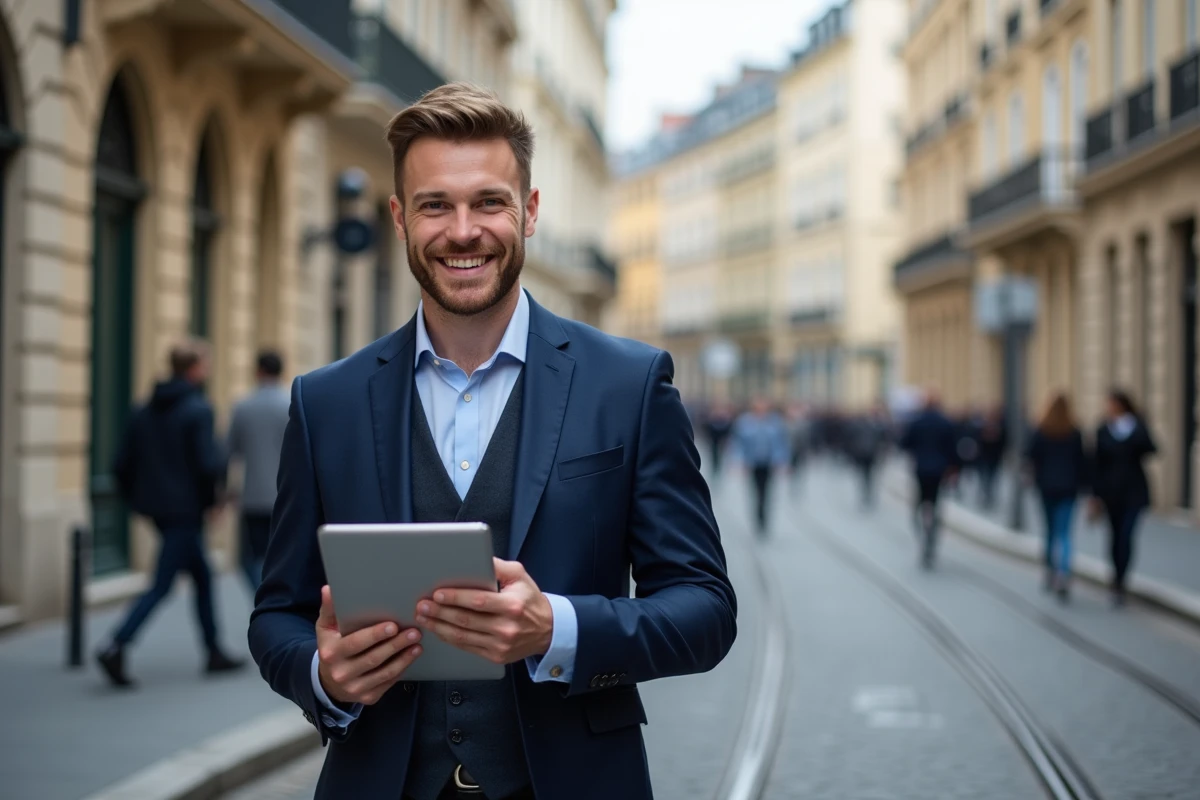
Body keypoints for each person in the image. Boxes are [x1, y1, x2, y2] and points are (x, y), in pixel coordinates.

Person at [248, 83, 737, 800]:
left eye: (488, 202)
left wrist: (557, 629)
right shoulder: (327, 402)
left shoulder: (628, 385)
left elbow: (705, 609)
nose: (463, 231)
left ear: (529, 211)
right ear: (400, 218)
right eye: (435, 206)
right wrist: (323, 675)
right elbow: (276, 616)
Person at [97, 340, 244, 687]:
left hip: (160, 510)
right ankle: (116, 644)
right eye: (205, 364)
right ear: (194, 369)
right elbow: (208, 464)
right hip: (186, 511)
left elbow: (120, 465)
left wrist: (139, 499)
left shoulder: (143, 409)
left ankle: (213, 650)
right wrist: (214, 502)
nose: (208, 370)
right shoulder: (198, 409)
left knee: (202, 577)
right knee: (162, 583)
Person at [226, 350, 290, 590]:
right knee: (280, 557)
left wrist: (225, 491)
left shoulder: (243, 407)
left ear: (258, 371)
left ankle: (262, 596)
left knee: (248, 559)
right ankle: (272, 598)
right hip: (285, 497)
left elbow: (229, 452)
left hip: (252, 498)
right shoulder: (291, 404)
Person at [1090, 389, 1158, 607]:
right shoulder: (1103, 429)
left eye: (1112, 403)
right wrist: (1095, 495)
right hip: (1111, 493)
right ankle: (1115, 577)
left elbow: (1152, 449)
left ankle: (1122, 578)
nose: (1109, 408)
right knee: (1115, 535)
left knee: (1126, 536)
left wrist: (1141, 426)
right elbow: (1096, 464)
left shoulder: (1137, 426)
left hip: (1134, 492)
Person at [1024, 394, 1087, 602]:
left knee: (1050, 532)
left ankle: (1050, 571)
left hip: (1047, 487)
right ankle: (1063, 573)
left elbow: (1030, 456)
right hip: (1069, 488)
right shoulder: (1074, 432)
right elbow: (1082, 461)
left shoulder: (1041, 430)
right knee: (1065, 533)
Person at [899, 390, 959, 569]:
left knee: (919, 506)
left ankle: (923, 534)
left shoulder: (917, 421)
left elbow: (904, 443)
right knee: (935, 504)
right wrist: (954, 469)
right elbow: (953, 449)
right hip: (940, 471)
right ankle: (932, 536)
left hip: (921, 470)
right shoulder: (946, 422)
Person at [731, 397, 790, 536]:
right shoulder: (744, 422)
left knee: (766, 491)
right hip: (752, 463)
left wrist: (781, 461)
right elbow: (738, 444)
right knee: (755, 491)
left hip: (769, 463)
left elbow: (781, 444)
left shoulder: (775, 423)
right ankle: (757, 515)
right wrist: (739, 461)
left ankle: (764, 517)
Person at [845, 405, 890, 509]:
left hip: (867, 454)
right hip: (867, 454)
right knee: (868, 475)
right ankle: (867, 492)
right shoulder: (875, 426)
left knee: (866, 475)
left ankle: (866, 493)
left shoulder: (873, 427)